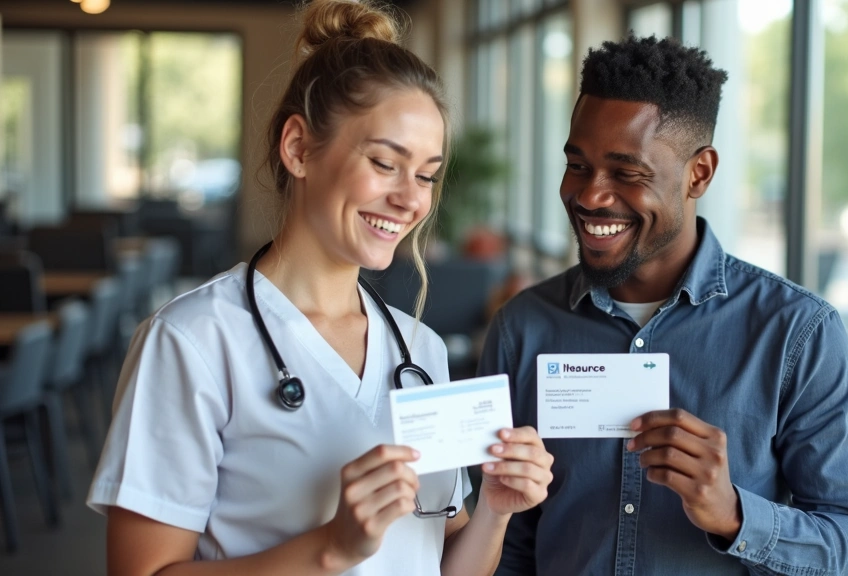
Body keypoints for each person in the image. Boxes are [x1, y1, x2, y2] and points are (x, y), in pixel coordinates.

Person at [87, 2, 553, 575]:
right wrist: (329, 548)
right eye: (385, 162)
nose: (411, 199)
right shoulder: (192, 342)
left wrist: (496, 514)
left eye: (427, 174)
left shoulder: (420, 350)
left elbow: (440, 561)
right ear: (299, 149)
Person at [479, 35, 848, 575]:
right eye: (578, 165)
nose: (591, 195)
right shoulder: (522, 327)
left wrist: (736, 516)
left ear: (700, 173)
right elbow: (506, 544)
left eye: (627, 173)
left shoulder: (796, 333)